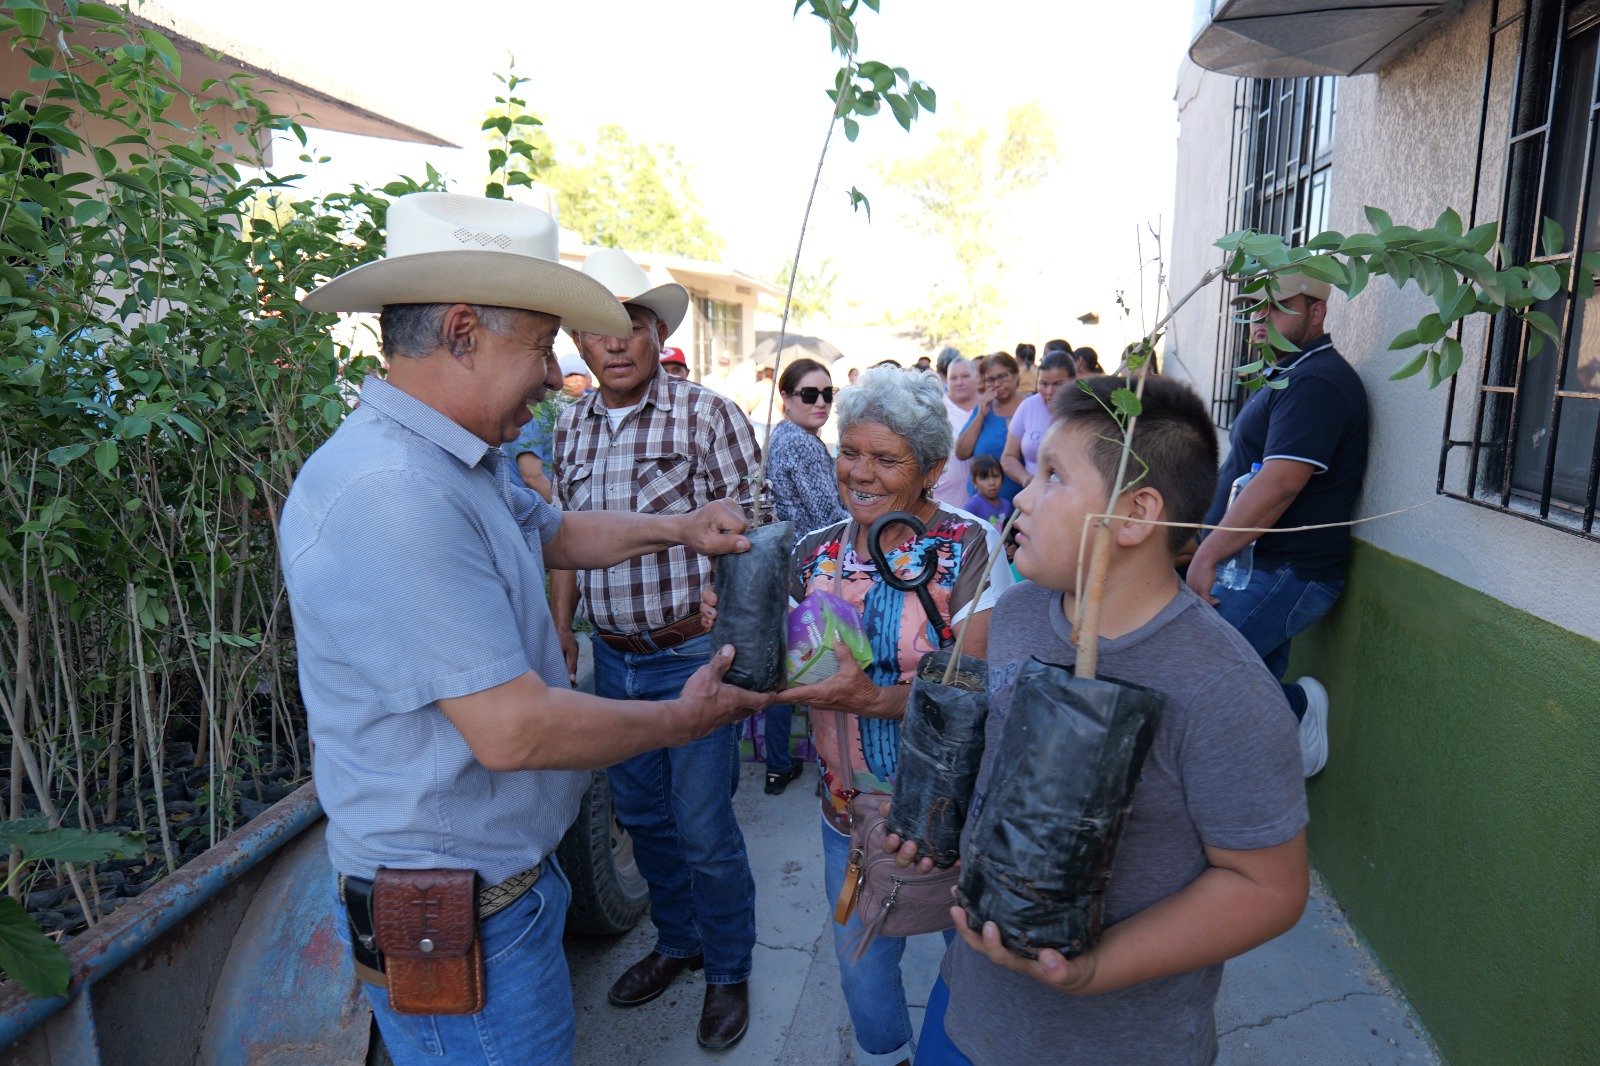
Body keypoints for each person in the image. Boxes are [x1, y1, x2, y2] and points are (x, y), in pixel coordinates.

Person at [280, 193, 771, 1066]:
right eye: (544, 347)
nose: (555, 374)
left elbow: (559, 532)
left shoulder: (451, 460)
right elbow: (515, 727)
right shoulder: (392, 494)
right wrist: (681, 720)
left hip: (494, 891)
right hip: (457, 914)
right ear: (463, 331)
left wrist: (684, 527)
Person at [904, 375, 1309, 1065]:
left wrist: (1099, 965)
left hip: (1116, 1040)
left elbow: (1269, 888)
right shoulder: (1023, 615)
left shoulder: (1222, 685)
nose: (1023, 495)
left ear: (1135, 514)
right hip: (971, 1010)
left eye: (1053, 477)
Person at [743, 366, 1013, 1066]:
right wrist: (746, 640)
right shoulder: (817, 552)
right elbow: (802, 671)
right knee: (862, 966)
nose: (860, 474)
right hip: (847, 810)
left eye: (886, 459)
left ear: (927, 469)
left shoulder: (972, 548)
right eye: (851, 453)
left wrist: (870, 700)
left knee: (978, 961)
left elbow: (976, 695)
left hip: (951, 816)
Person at [550, 247, 762, 1050]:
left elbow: (758, 524)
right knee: (641, 816)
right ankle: (679, 944)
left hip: (689, 653)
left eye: (631, 325)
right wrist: (561, 633)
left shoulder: (706, 414)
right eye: (598, 328)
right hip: (613, 656)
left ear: (655, 333)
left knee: (703, 823)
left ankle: (730, 968)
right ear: (578, 337)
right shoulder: (569, 420)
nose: (614, 343)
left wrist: (735, 619)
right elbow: (563, 540)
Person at [1185, 271, 1369, 778]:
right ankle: (1283, 739)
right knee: (1240, 689)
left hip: (1284, 572)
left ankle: (1299, 712)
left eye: (1278, 306)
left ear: (1317, 312)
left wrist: (1207, 554)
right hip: (1254, 567)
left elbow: (1280, 484)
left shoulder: (1317, 383)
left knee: (1192, 674)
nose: (1261, 318)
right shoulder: (1291, 374)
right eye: (1255, 307)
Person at [762, 356, 849, 795]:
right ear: (786, 399)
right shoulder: (801, 443)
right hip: (813, 572)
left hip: (789, 570)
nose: (821, 402)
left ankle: (778, 765)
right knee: (822, 674)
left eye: (828, 394)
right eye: (809, 394)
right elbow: (828, 516)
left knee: (790, 670)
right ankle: (833, 773)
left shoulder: (785, 437)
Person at [954, 352, 1025, 505]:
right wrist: (980, 415)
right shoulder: (984, 408)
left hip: (1022, 504)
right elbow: (961, 452)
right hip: (984, 509)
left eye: (1002, 376)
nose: (997, 384)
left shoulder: (1029, 406)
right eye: (990, 380)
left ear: (1015, 375)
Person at [1001, 347, 1076, 489]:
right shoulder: (1028, 406)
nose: (1049, 391)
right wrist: (1028, 480)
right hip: (1036, 493)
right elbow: (1008, 457)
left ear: (1073, 381)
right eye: (1043, 383)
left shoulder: (1085, 411)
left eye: (1057, 384)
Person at [932, 356, 979, 506]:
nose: (959, 382)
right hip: (946, 497)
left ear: (976, 376)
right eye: (953, 378)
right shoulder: (937, 410)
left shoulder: (989, 406)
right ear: (946, 381)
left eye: (965, 376)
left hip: (988, 497)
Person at [964, 454, 1011, 528]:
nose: (992, 483)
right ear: (974, 482)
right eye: (984, 478)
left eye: (995, 476)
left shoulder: (1006, 504)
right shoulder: (973, 505)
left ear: (1002, 478)